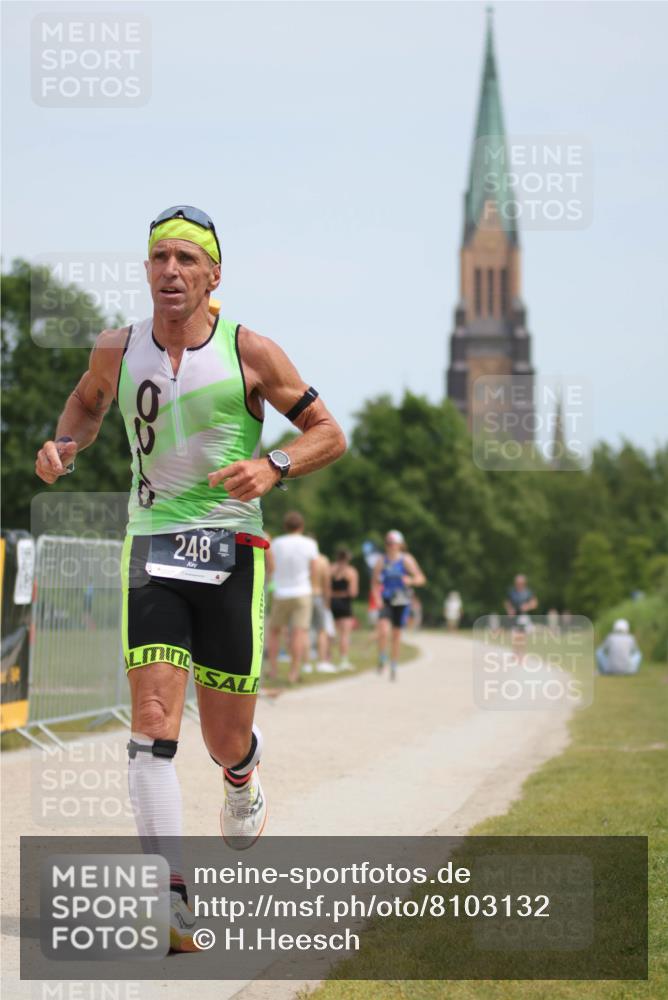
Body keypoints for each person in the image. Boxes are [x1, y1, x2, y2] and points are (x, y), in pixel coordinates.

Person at [34, 205, 345, 950]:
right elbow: (86, 401)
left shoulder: (252, 352)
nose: (170, 271)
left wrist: (274, 465)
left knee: (224, 734)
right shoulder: (118, 347)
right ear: (146, 271)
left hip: (233, 549)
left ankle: (243, 772)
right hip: (152, 545)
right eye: (159, 258)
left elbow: (329, 434)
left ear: (213, 276)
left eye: (185, 259)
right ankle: (169, 900)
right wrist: (64, 444)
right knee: (151, 722)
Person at [266, 512, 319, 684]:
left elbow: (271, 566)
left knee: (274, 631)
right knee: (299, 632)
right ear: (302, 526)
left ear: (285, 526)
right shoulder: (310, 543)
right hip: (302, 591)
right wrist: (314, 585)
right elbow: (314, 568)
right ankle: (293, 672)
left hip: (281, 591)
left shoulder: (277, 543)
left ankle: (273, 670)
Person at [373, 530, 426, 681]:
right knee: (383, 630)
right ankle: (382, 657)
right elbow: (374, 582)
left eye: (393, 543)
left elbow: (421, 578)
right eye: (388, 543)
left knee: (396, 634)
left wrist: (411, 580)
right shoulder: (381, 561)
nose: (391, 546)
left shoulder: (406, 560)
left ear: (400, 545)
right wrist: (376, 596)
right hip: (387, 599)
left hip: (402, 600)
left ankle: (394, 663)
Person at [329, 547, 359, 670]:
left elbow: (327, 589)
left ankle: (327, 659)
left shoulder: (330, 569)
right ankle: (343, 660)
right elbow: (353, 592)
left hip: (331, 603)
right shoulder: (351, 572)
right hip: (344, 604)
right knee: (344, 635)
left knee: (330, 634)